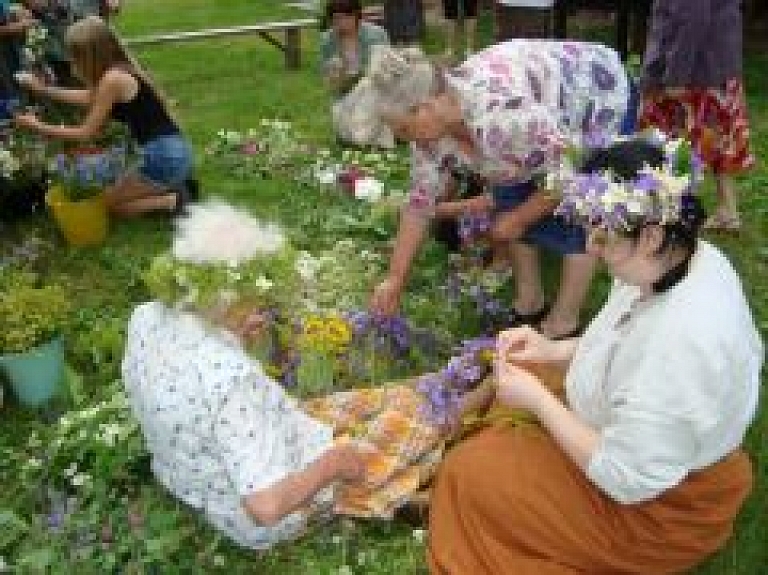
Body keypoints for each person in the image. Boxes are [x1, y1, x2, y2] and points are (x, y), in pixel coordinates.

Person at [427, 136, 762, 573]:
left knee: (469, 473)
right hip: (636, 437)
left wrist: (542, 403)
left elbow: (626, 478)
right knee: (523, 369)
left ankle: (460, 479)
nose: (589, 249)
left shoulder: (684, 343)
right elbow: (620, 338)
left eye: (601, 237)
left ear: (651, 235)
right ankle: (458, 450)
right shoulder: (674, 258)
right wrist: (553, 349)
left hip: (661, 506)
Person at [122, 201, 451, 549]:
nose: (262, 317)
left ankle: (437, 402)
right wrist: (334, 464)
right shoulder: (231, 381)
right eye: (255, 304)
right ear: (224, 297)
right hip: (261, 509)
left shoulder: (146, 316)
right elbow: (266, 507)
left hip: (201, 475)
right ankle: (426, 460)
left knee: (397, 398)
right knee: (423, 419)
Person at [366, 40, 631, 340]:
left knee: (580, 215)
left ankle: (563, 325)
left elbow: (567, 174)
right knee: (513, 190)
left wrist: (520, 218)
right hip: (541, 124)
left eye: (403, 129)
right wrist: (394, 279)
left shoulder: (502, 116)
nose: (403, 139)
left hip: (596, 95)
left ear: (426, 108)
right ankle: (530, 304)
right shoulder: (433, 132)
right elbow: (419, 204)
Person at [13, 16, 196, 217]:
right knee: (111, 197)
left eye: (75, 55)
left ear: (89, 54)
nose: (72, 60)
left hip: (164, 158)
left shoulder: (112, 79)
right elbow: (90, 98)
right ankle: (171, 185)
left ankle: (173, 200)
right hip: (172, 152)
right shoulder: (118, 69)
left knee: (107, 206)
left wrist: (36, 126)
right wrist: (43, 90)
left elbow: (85, 134)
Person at [639, 0, 753, 233]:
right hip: (713, 66)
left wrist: (675, 75)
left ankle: (675, 213)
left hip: (695, 71)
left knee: (675, 144)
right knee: (718, 141)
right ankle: (727, 212)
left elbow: (693, 20)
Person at [319, 0, 390, 146]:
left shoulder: (376, 35)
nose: (341, 23)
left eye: (346, 17)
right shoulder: (327, 40)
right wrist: (334, 75)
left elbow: (383, 71)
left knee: (363, 135)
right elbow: (329, 80)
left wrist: (357, 77)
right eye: (336, 18)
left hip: (376, 87)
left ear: (357, 17)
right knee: (347, 136)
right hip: (345, 91)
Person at [0, 1, 35, 109]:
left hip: (12, 47)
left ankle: (25, 108)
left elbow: (10, 10)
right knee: (8, 84)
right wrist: (16, 26)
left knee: (18, 76)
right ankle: (16, 113)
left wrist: (20, 12)